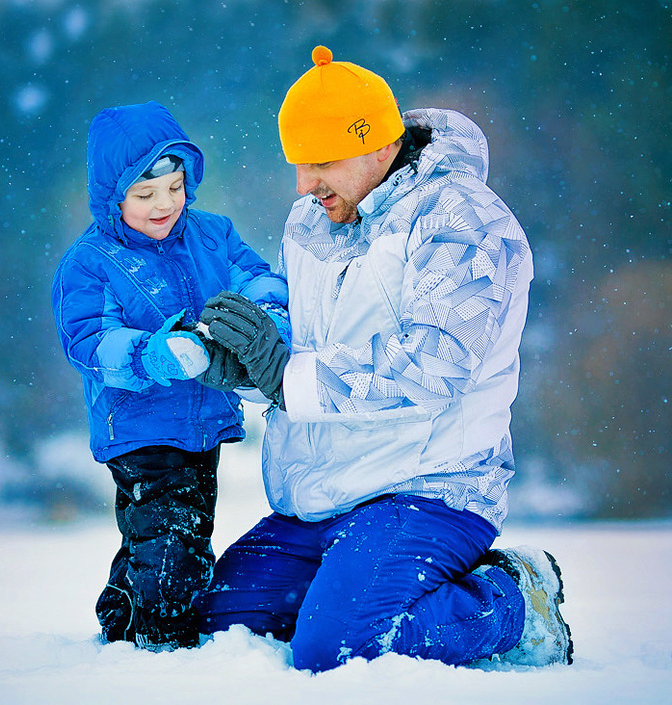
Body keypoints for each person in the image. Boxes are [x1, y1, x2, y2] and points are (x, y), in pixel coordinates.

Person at [194, 46, 573, 671]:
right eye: (297, 164)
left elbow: (433, 370)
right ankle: (361, 583)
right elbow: (308, 347)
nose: (304, 184)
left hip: (430, 490)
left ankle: (513, 601)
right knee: (223, 630)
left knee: (333, 649)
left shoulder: (462, 221)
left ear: (377, 147)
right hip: (323, 496)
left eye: (321, 163)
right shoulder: (310, 220)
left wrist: (287, 380)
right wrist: (254, 368)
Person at [51, 101, 288, 651]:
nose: (165, 204)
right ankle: (163, 644)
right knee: (171, 538)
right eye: (144, 194)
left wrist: (266, 314)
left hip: (202, 421)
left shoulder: (211, 234)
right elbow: (88, 340)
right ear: (114, 195)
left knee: (172, 531)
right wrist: (150, 356)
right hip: (141, 427)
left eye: (175, 187)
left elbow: (256, 276)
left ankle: (123, 617)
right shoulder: (91, 262)